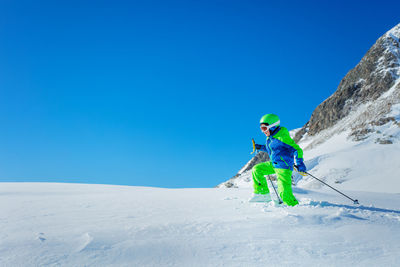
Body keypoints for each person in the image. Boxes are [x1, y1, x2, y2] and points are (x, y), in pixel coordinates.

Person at [249, 114, 306, 206]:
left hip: (284, 167)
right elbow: (271, 149)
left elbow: (297, 149)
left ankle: (294, 207)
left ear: (272, 126)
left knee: (284, 193)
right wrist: (260, 147)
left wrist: (300, 163)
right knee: (257, 169)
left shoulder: (282, 138)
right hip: (274, 164)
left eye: (264, 128)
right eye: (261, 128)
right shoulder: (270, 138)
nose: (262, 131)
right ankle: (263, 194)